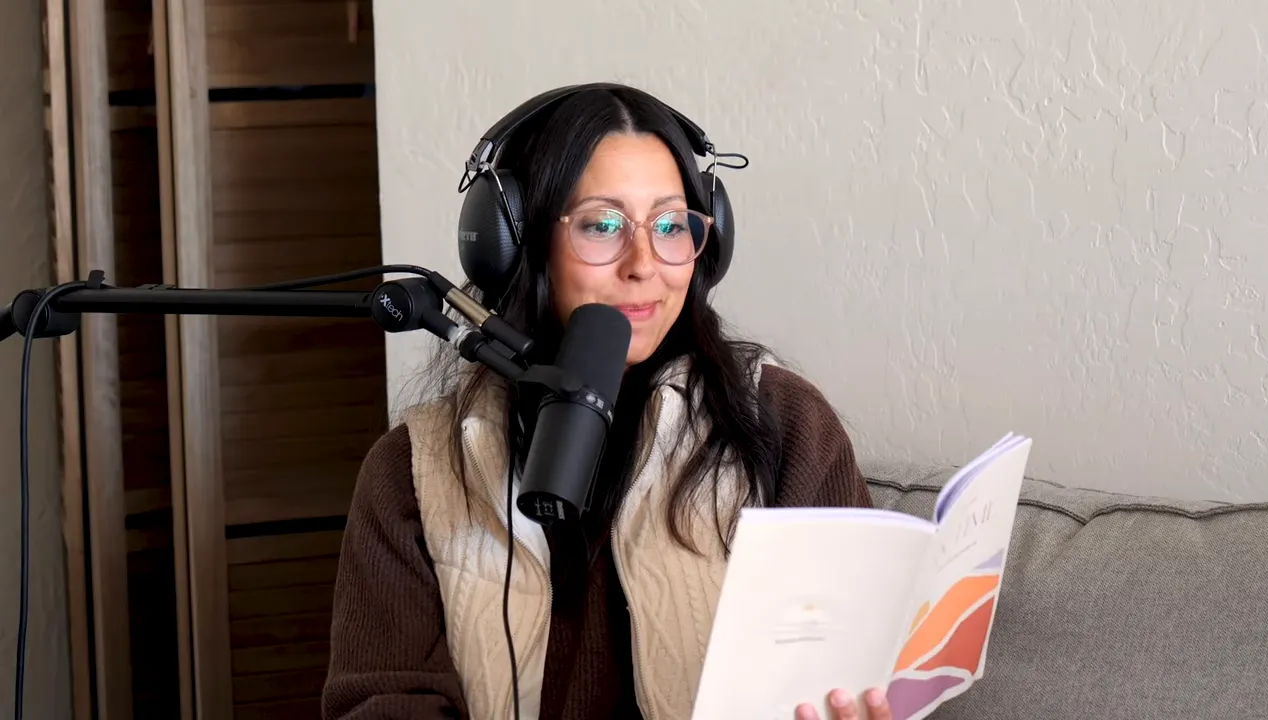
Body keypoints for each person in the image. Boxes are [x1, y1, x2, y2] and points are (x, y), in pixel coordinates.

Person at [321, 83, 887, 720]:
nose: (645, 263)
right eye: (601, 225)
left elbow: (854, 668)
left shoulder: (783, 424)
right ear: (516, 244)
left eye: (672, 225)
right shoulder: (412, 472)